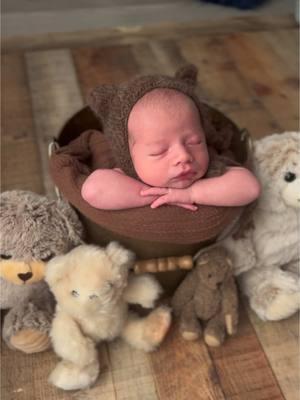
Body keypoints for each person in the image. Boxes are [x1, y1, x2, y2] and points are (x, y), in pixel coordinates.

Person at [81, 87, 260, 211]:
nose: (184, 156)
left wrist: (191, 194)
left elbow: (249, 187)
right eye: (160, 151)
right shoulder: (128, 175)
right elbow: (93, 190)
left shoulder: (210, 171)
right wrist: (158, 196)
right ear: (130, 156)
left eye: (194, 142)